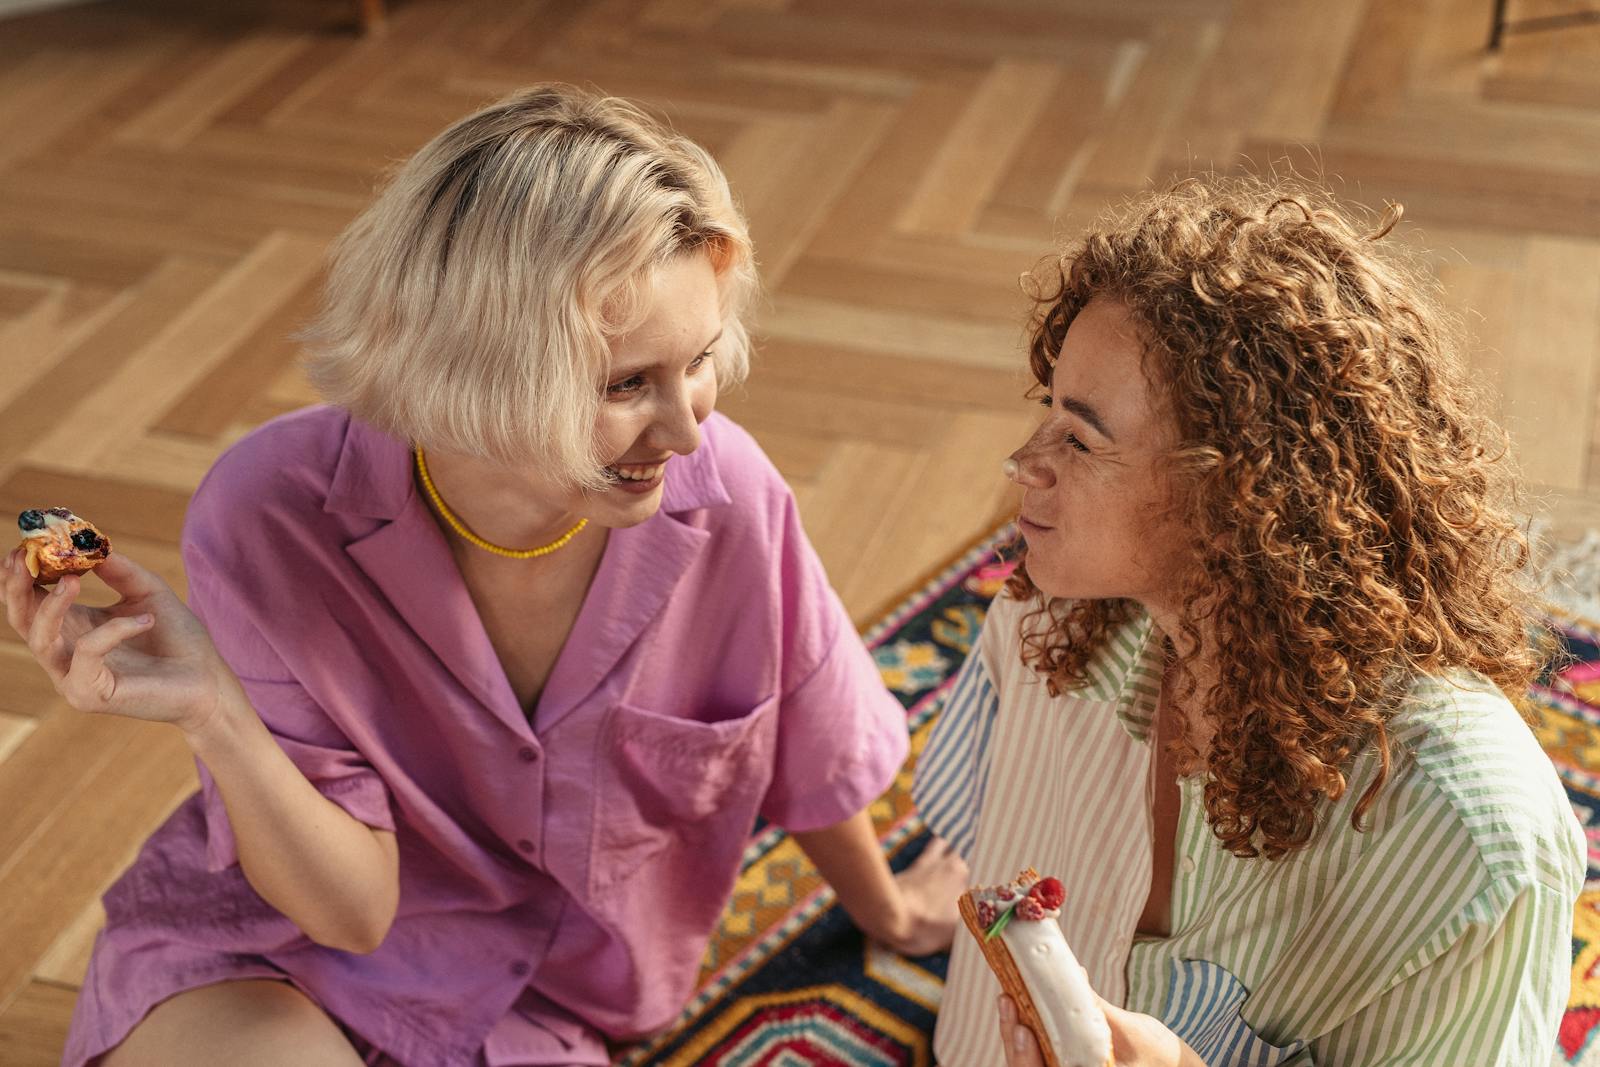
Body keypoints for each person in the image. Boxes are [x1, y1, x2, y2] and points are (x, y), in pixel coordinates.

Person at [5, 84, 967, 1067]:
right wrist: (215, 711)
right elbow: (351, 912)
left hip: (551, 1006)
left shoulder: (731, 496)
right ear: (477, 366)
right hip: (279, 952)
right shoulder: (267, 515)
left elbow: (807, 735)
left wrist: (888, 911)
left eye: (701, 360)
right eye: (626, 383)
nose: (686, 431)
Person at [913, 176, 1584, 1065]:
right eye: (1049, 412)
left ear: (1242, 494)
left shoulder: (1464, 835)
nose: (1020, 465)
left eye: (1079, 440)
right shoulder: (1054, 623)